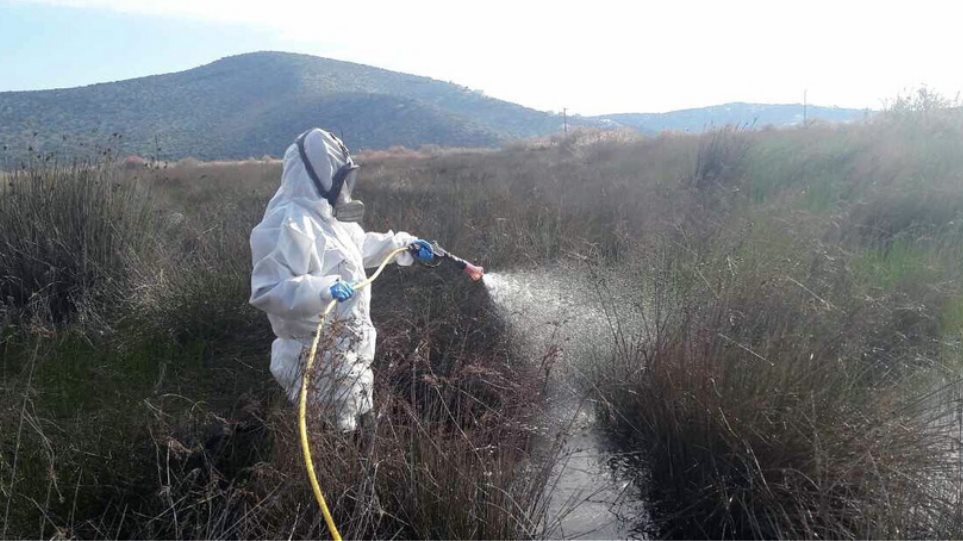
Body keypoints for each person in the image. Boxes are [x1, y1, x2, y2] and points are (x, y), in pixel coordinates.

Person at [249, 128, 434, 433]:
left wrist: (404, 244)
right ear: (318, 174)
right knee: (329, 444)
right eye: (339, 176)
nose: (344, 185)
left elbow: (360, 249)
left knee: (360, 439)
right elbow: (268, 290)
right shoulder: (287, 222)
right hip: (312, 366)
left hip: (353, 360)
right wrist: (321, 290)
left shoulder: (330, 218)